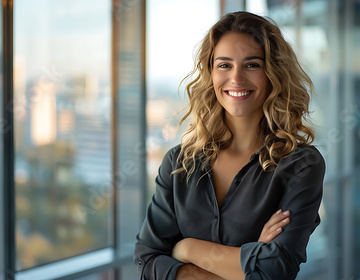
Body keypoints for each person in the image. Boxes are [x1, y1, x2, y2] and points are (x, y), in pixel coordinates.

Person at [134, 11, 325, 280]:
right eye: (224, 65)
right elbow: (147, 261)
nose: (236, 78)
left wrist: (186, 248)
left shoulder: (300, 165)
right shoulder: (178, 164)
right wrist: (250, 258)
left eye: (252, 65)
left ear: (273, 73)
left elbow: (274, 272)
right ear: (210, 73)